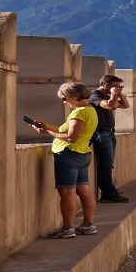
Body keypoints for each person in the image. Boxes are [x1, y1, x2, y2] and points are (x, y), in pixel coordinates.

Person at [33, 82, 98, 238]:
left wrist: (48, 132)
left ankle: (67, 228)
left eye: (64, 98)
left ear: (75, 96)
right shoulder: (90, 110)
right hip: (83, 155)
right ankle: (88, 225)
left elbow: (71, 137)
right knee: (84, 191)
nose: (64, 101)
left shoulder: (78, 113)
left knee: (67, 193)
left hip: (68, 155)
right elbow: (71, 131)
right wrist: (48, 126)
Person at [90, 72, 130, 203]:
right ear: (106, 85)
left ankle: (109, 192)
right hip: (101, 134)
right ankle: (108, 193)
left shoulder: (108, 95)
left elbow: (125, 105)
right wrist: (113, 94)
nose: (117, 89)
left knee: (109, 165)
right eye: (115, 87)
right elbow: (111, 106)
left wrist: (118, 93)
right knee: (106, 165)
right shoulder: (94, 96)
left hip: (109, 133)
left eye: (120, 87)